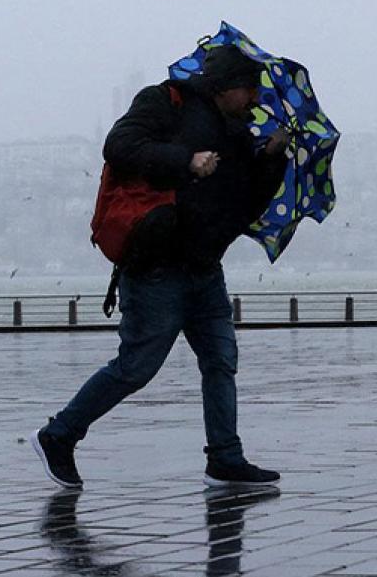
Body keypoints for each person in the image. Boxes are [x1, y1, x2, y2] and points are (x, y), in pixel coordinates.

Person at [31, 44, 288, 489]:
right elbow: (120, 145)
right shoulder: (164, 102)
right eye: (250, 89)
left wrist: (270, 159)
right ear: (226, 86)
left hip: (205, 269)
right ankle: (59, 435)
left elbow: (246, 207)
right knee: (137, 367)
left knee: (221, 360)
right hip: (156, 268)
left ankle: (225, 458)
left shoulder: (239, 135)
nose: (255, 100)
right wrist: (185, 161)